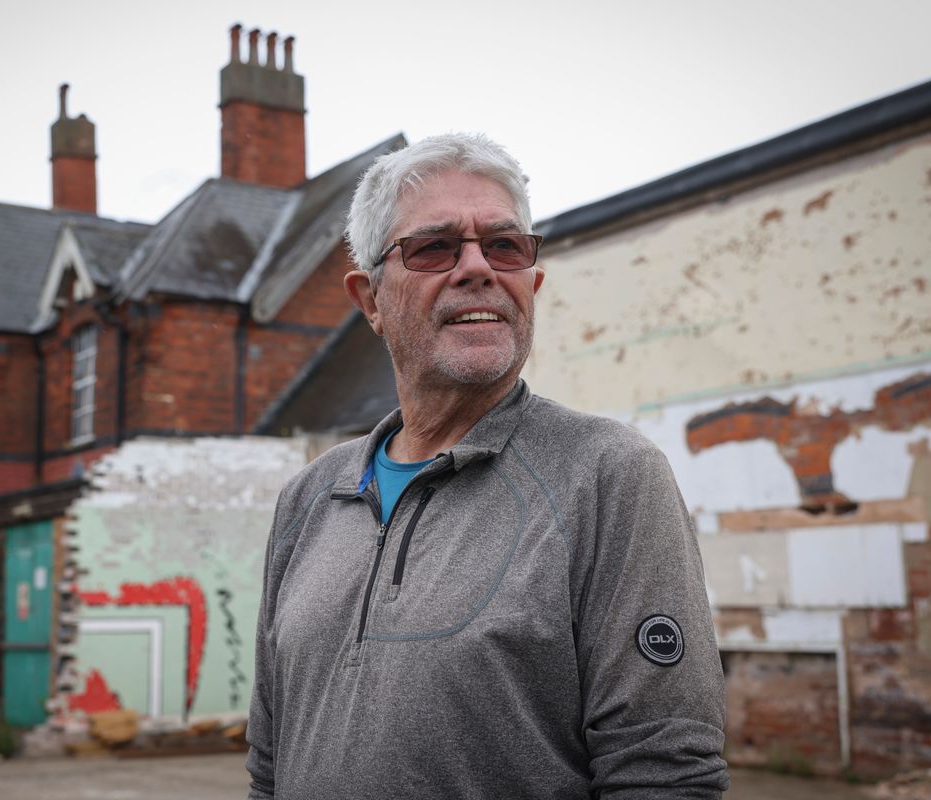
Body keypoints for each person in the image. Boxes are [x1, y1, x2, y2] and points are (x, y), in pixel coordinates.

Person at [245, 133, 728, 799]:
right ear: (370, 301)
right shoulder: (309, 498)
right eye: (434, 247)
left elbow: (665, 772)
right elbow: (269, 766)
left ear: (531, 281)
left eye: (504, 245)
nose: (478, 268)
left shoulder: (609, 476)